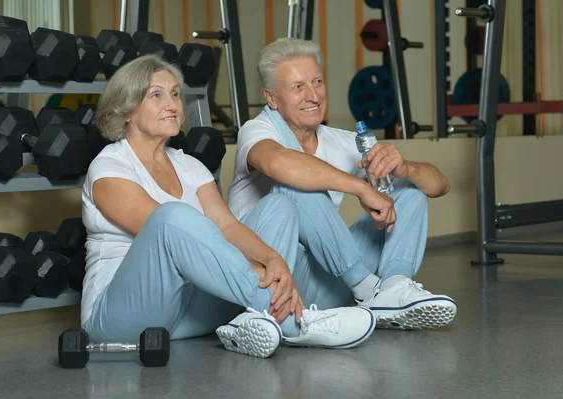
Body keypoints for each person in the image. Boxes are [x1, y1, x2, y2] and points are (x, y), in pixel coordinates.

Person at [79, 54, 376, 359]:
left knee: (280, 205)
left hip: (190, 313)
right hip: (122, 318)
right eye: (156, 95)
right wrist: (258, 271)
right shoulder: (109, 167)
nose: (172, 104)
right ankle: (291, 319)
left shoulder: (190, 166)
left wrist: (273, 259)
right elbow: (176, 234)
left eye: (175, 94)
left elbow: (228, 227)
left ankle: (259, 317)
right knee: (170, 217)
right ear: (127, 110)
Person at [228, 38, 457, 330]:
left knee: (410, 190)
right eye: (298, 87)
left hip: (327, 281)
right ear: (272, 98)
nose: (313, 96)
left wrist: (405, 168)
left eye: (318, 82)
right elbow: (279, 164)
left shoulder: (344, 141)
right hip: (267, 280)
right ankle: (368, 290)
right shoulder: (257, 130)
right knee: (296, 184)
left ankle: (392, 288)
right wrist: (360, 187)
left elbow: (441, 185)